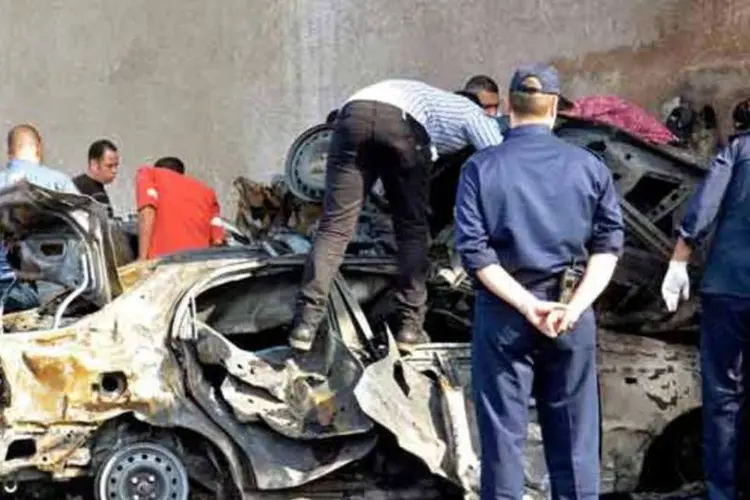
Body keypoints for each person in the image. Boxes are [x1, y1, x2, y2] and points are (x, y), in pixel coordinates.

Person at [455, 64, 624, 499]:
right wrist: (576, 306)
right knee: (574, 443)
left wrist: (528, 305)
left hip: (504, 318)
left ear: (508, 107)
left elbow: (474, 254)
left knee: (503, 443)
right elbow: (608, 248)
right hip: (570, 316)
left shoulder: (479, 168)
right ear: (554, 110)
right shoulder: (590, 166)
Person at [290, 79, 503, 352]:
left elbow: (382, 177)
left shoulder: (428, 100)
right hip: (400, 123)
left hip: (351, 115)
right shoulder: (472, 112)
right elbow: (500, 159)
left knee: (334, 228)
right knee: (412, 229)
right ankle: (410, 327)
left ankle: (305, 324)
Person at [660, 115, 750, 500]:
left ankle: (723, 492)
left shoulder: (739, 149)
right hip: (729, 286)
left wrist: (679, 259)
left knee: (723, 396)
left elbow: (706, 202)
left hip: (729, 286)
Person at [0, 124, 79, 312]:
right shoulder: (59, 183)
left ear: (9, 151)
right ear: (39, 148)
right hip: (50, 291)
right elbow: (84, 232)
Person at [135, 156, 224, 260]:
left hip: (164, 264)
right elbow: (218, 241)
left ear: (158, 169)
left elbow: (148, 210)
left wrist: (142, 259)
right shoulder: (208, 192)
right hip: (199, 265)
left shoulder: (149, 173)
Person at [73, 139, 120, 216]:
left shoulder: (74, 184)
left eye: (116, 165)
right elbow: (107, 226)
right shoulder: (97, 196)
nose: (114, 171)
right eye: (109, 166)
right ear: (94, 164)